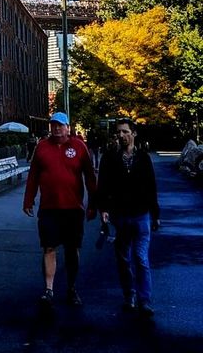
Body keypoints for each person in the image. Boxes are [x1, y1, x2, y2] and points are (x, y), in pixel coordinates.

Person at [23, 111, 97, 309]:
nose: (56, 128)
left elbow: (90, 177)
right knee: (48, 247)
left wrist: (94, 204)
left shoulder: (78, 146)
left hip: (73, 208)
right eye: (53, 125)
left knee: (72, 250)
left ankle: (72, 288)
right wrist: (28, 200)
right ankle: (49, 289)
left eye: (60, 125)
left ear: (68, 127)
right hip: (49, 209)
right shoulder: (42, 147)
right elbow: (33, 176)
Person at [96, 117, 160, 316]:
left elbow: (151, 187)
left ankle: (145, 299)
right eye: (119, 132)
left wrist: (155, 214)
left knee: (141, 259)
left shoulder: (143, 158)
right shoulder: (110, 157)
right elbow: (103, 184)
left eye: (125, 131)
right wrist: (103, 208)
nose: (121, 135)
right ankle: (129, 295)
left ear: (134, 133)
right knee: (123, 259)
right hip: (120, 215)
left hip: (141, 215)